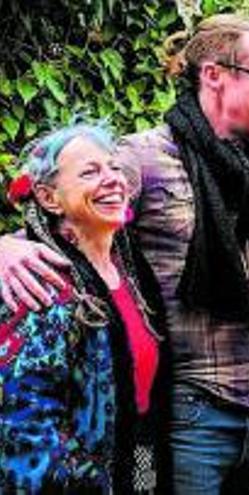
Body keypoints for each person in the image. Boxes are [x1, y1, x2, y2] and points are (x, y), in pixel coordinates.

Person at [0, 14, 249, 494]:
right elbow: (65, 216)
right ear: (214, 75)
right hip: (196, 414)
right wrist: (3, 248)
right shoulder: (142, 159)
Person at [0, 123, 170, 493]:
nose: (112, 180)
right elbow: (26, 424)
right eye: (90, 172)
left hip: (137, 457)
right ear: (49, 198)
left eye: (113, 167)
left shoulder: (130, 272)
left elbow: (143, 409)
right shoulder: (41, 283)